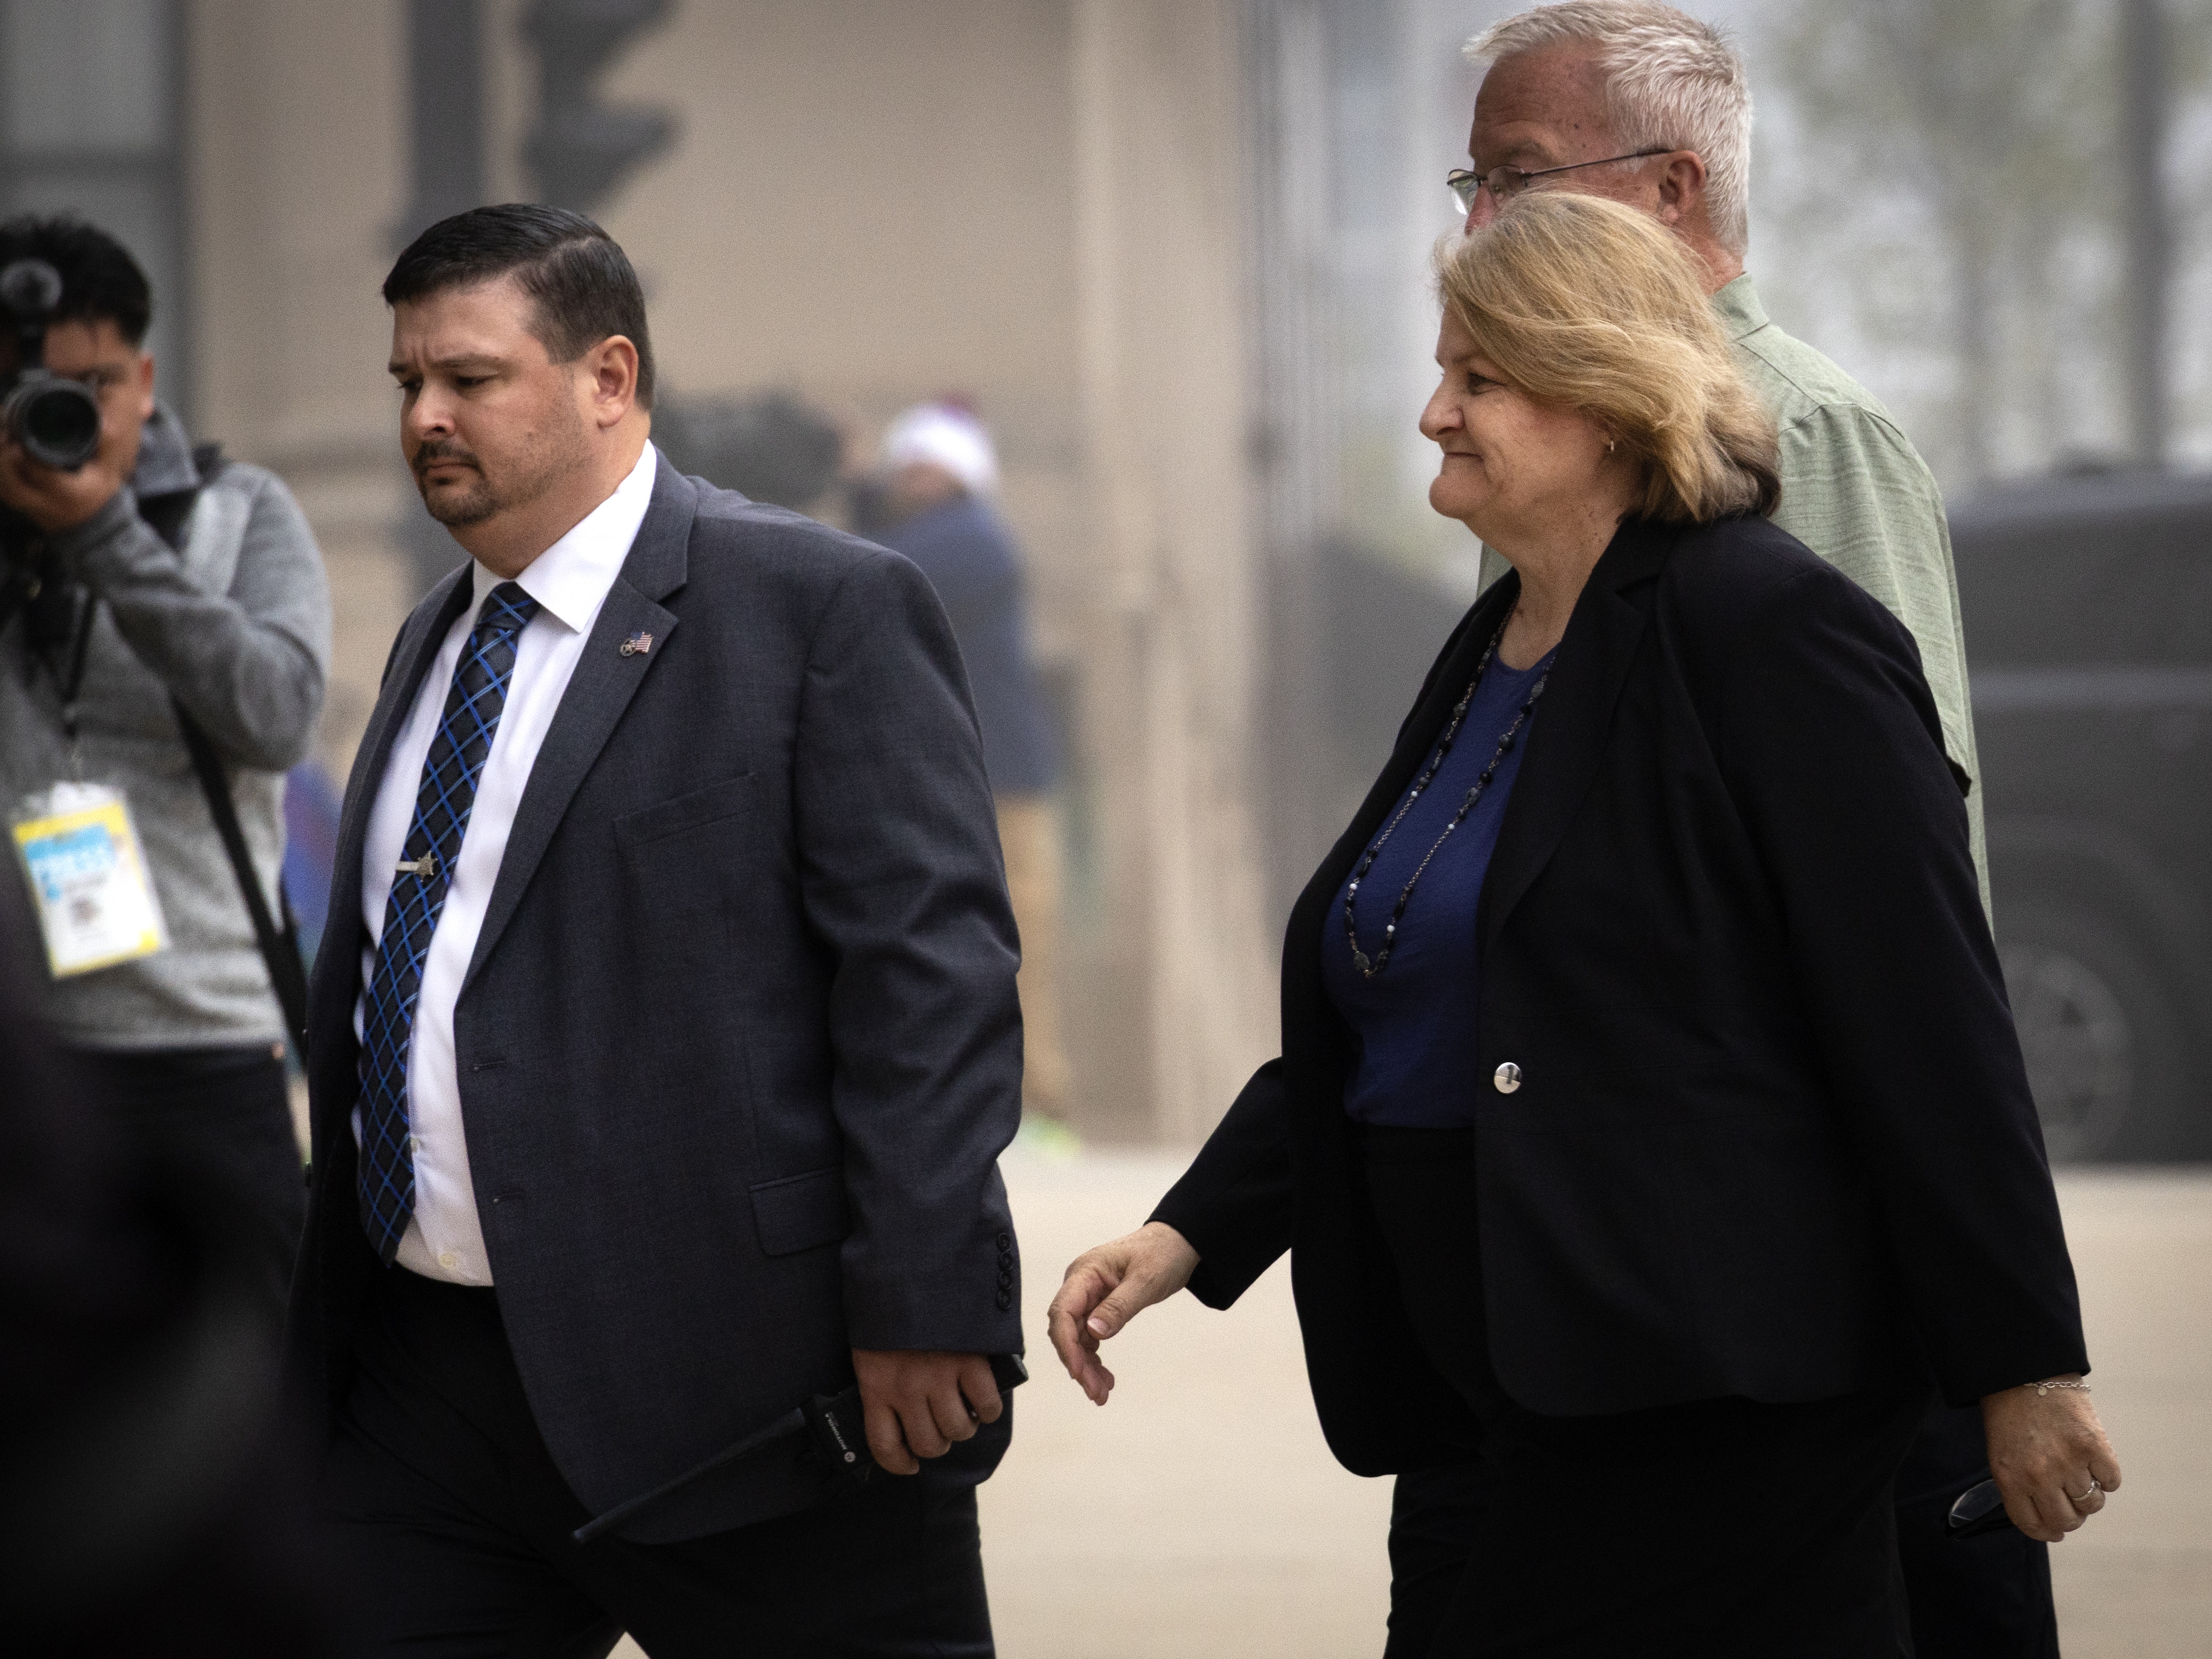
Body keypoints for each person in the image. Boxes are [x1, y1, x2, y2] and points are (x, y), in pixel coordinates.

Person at [1046, 194, 2118, 1656]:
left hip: (1708, 1394)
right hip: (1493, 1383)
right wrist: (1193, 1226)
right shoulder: (1496, 640)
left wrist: (2019, 1363)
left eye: (1477, 379)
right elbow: (1417, 989)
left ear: (1609, 397)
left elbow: (1925, 1018)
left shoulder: (1768, 629)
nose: (1433, 414)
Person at [285, 204, 1024, 1657]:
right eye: (405, 384)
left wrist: (923, 1289)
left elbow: (929, 980)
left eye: (471, 379)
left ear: (608, 377)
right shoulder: (435, 637)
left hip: (745, 1387)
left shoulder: (820, 606)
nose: (424, 417)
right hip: (428, 1392)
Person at [1452, 8, 2035, 1650]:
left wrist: (1968, 1289)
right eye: (1469, 182)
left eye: (1516, 178)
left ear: (1673, 188)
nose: (1478, 225)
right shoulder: (1557, 443)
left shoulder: (1791, 432)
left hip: (1791, 1268)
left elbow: (1893, 876)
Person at [0, 215, 330, 1338]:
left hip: (207, 1053)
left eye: (94, 384)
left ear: (144, 374)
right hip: (26, 1064)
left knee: (243, 1424)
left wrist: (104, 536)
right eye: (30, 390)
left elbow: (276, 713)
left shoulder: (243, 515)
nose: (66, 416)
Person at [862, 402, 1070, 1122]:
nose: (915, 479)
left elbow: (882, 573)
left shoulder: (970, 540)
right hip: (959, 782)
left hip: (1002, 785)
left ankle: (1036, 1099)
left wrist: (856, 492)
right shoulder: (929, 536)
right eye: (907, 466)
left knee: (1019, 944)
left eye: (930, 467)